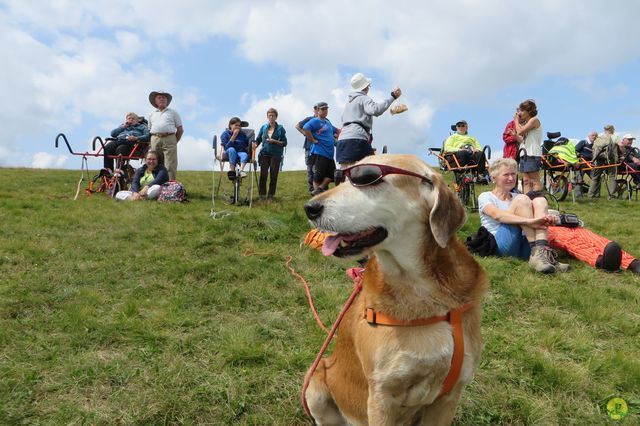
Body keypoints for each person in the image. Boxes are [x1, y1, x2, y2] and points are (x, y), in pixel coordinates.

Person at [478, 158, 569, 273]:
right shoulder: (486, 196)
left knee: (540, 200)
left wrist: (548, 219)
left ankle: (542, 253)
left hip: (525, 245)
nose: (511, 178)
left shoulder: (517, 196)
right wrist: (530, 221)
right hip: (502, 245)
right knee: (523, 199)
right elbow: (497, 216)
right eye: (506, 175)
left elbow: (537, 215)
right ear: (494, 177)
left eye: (513, 174)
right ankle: (538, 253)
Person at [336, 72, 402, 168]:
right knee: (368, 169)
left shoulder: (348, 103)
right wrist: (393, 97)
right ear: (365, 87)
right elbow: (375, 110)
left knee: (345, 171)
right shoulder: (363, 98)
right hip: (357, 138)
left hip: (342, 141)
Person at [302, 102, 339, 195]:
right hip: (320, 152)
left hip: (329, 154)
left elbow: (337, 130)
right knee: (318, 176)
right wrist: (313, 140)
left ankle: (319, 190)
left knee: (332, 175)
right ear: (317, 110)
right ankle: (318, 195)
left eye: (326, 109)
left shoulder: (327, 122)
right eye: (322, 109)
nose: (325, 111)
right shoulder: (315, 121)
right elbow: (305, 128)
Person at [148, 91, 183, 181]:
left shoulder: (173, 113)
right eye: (159, 97)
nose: (162, 99)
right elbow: (149, 130)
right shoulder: (152, 114)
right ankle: (155, 185)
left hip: (170, 138)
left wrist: (174, 141)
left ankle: (170, 188)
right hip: (155, 138)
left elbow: (180, 129)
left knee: (170, 164)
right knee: (155, 162)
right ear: (155, 101)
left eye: (164, 97)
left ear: (167, 101)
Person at [255, 108, 287, 200]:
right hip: (264, 153)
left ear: (276, 117)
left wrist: (274, 141)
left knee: (273, 175)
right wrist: (255, 145)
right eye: (269, 115)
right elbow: (258, 139)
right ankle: (262, 195)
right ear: (267, 116)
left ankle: (271, 195)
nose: (271, 117)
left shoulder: (280, 128)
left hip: (276, 154)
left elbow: (284, 143)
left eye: (273, 115)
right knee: (263, 174)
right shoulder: (263, 127)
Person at [514, 99, 543, 194]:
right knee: (526, 181)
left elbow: (520, 131)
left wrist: (516, 121)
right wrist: (515, 136)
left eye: (522, 110)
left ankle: (538, 201)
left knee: (534, 181)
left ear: (529, 111)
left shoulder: (534, 120)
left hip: (532, 153)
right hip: (524, 153)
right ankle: (527, 201)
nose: (520, 113)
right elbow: (523, 140)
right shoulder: (526, 123)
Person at [587, 124, 618, 199]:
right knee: (612, 176)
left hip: (599, 158)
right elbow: (619, 147)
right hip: (611, 159)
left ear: (605, 130)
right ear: (612, 129)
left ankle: (590, 195)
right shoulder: (615, 137)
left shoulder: (600, 136)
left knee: (595, 177)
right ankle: (611, 196)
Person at [296, 104, 319, 193]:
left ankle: (318, 189)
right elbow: (297, 125)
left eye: (319, 109)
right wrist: (304, 133)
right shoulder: (309, 119)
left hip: (320, 147)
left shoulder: (325, 120)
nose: (317, 111)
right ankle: (311, 189)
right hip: (309, 147)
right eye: (316, 109)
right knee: (310, 169)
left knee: (317, 169)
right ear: (314, 110)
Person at [574, 130, 597, 197]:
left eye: (596, 136)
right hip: (581, 163)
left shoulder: (595, 145)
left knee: (595, 178)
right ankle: (578, 195)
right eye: (593, 135)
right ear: (589, 136)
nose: (594, 137)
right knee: (579, 179)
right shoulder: (583, 142)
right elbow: (575, 150)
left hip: (590, 164)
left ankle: (594, 195)